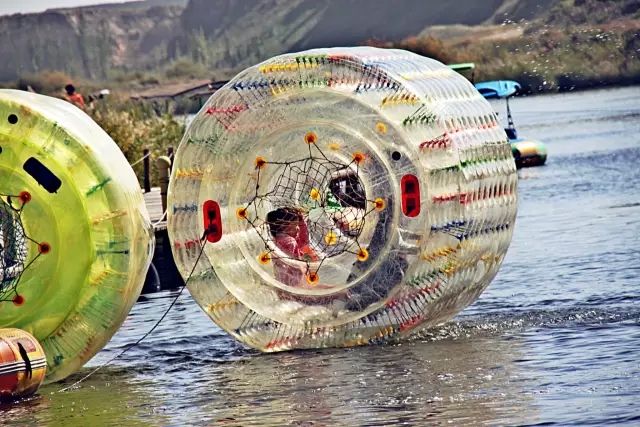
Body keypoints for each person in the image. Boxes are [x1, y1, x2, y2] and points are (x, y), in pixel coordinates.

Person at [266, 207, 309, 287]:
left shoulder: (277, 240)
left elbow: (302, 241)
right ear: (283, 226)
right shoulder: (289, 242)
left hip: (288, 283)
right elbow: (285, 266)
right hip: (293, 285)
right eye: (295, 225)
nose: (298, 228)